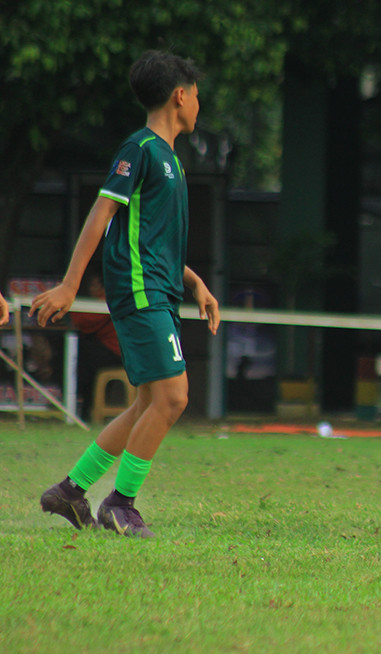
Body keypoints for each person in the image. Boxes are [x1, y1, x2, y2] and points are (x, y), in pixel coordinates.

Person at [31, 50, 219, 538]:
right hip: (140, 291)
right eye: (197, 96)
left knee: (146, 403)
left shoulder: (169, 159)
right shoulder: (139, 149)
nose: (200, 105)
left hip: (157, 288)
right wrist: (71, 285)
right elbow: (102, 213)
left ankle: (71, 491)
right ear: (180, 96)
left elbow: (153, 241)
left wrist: (194, 281)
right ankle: (121, 504)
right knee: (174, 398)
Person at [69, 269, 124, 420]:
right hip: (115, 352)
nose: (90, 289)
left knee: (82, 357)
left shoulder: (106, 301)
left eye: (94, 285)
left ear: (103, 287)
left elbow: (83, 321)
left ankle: (83, 406)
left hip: (116, 352)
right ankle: (86, 407)